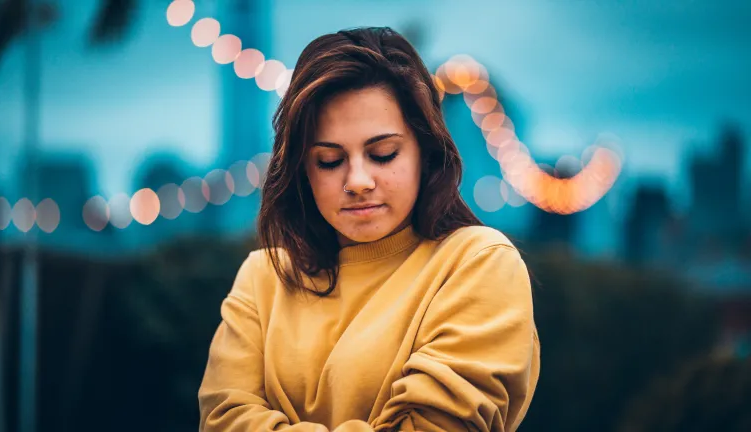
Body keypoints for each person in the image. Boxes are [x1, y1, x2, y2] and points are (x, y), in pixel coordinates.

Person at [198, 26, 540, 432]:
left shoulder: (478, 263)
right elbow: (221, 419)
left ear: (425, 152)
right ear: (302, 170)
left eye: (383, 154)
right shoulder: (263, 278)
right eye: (329, 160)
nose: (358, 181)